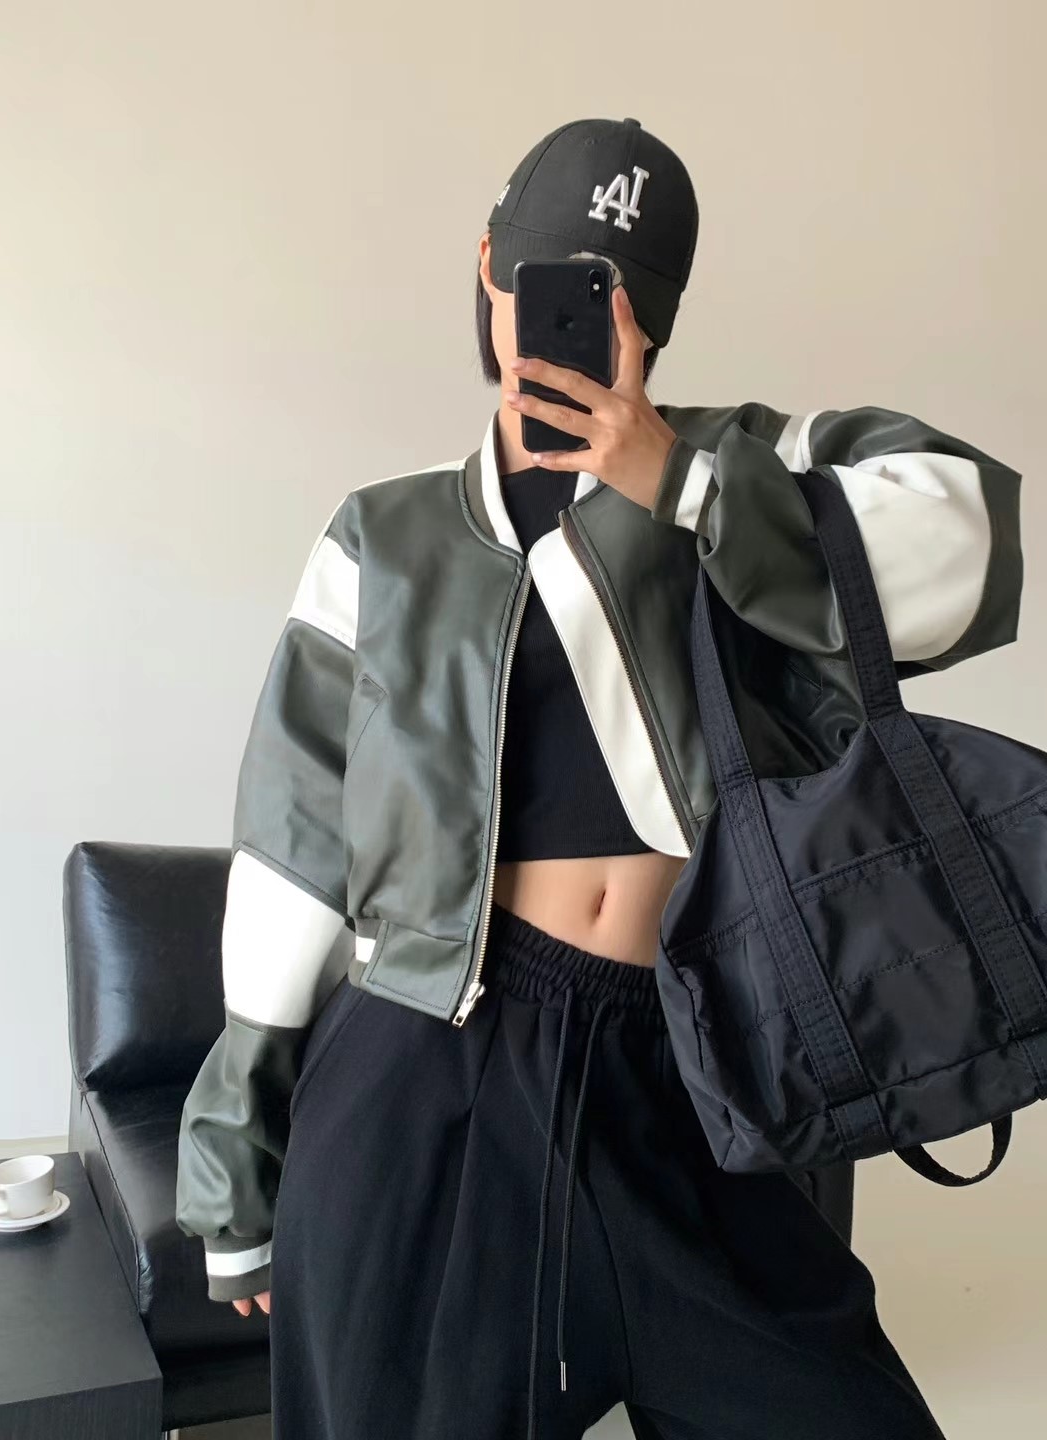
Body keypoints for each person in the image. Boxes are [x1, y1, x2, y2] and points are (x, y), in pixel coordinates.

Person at [175, 116, 1022, 1438]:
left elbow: (966, 555)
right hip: (434, 1067)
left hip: (701, 1064)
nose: (565, 323)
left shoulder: (751, 463)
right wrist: (237, 1148)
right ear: (489, 267)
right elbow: (296, 840)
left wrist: (679, 483)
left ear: (653, 319)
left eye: (612, 294)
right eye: (546, 279)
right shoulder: (385, 535)